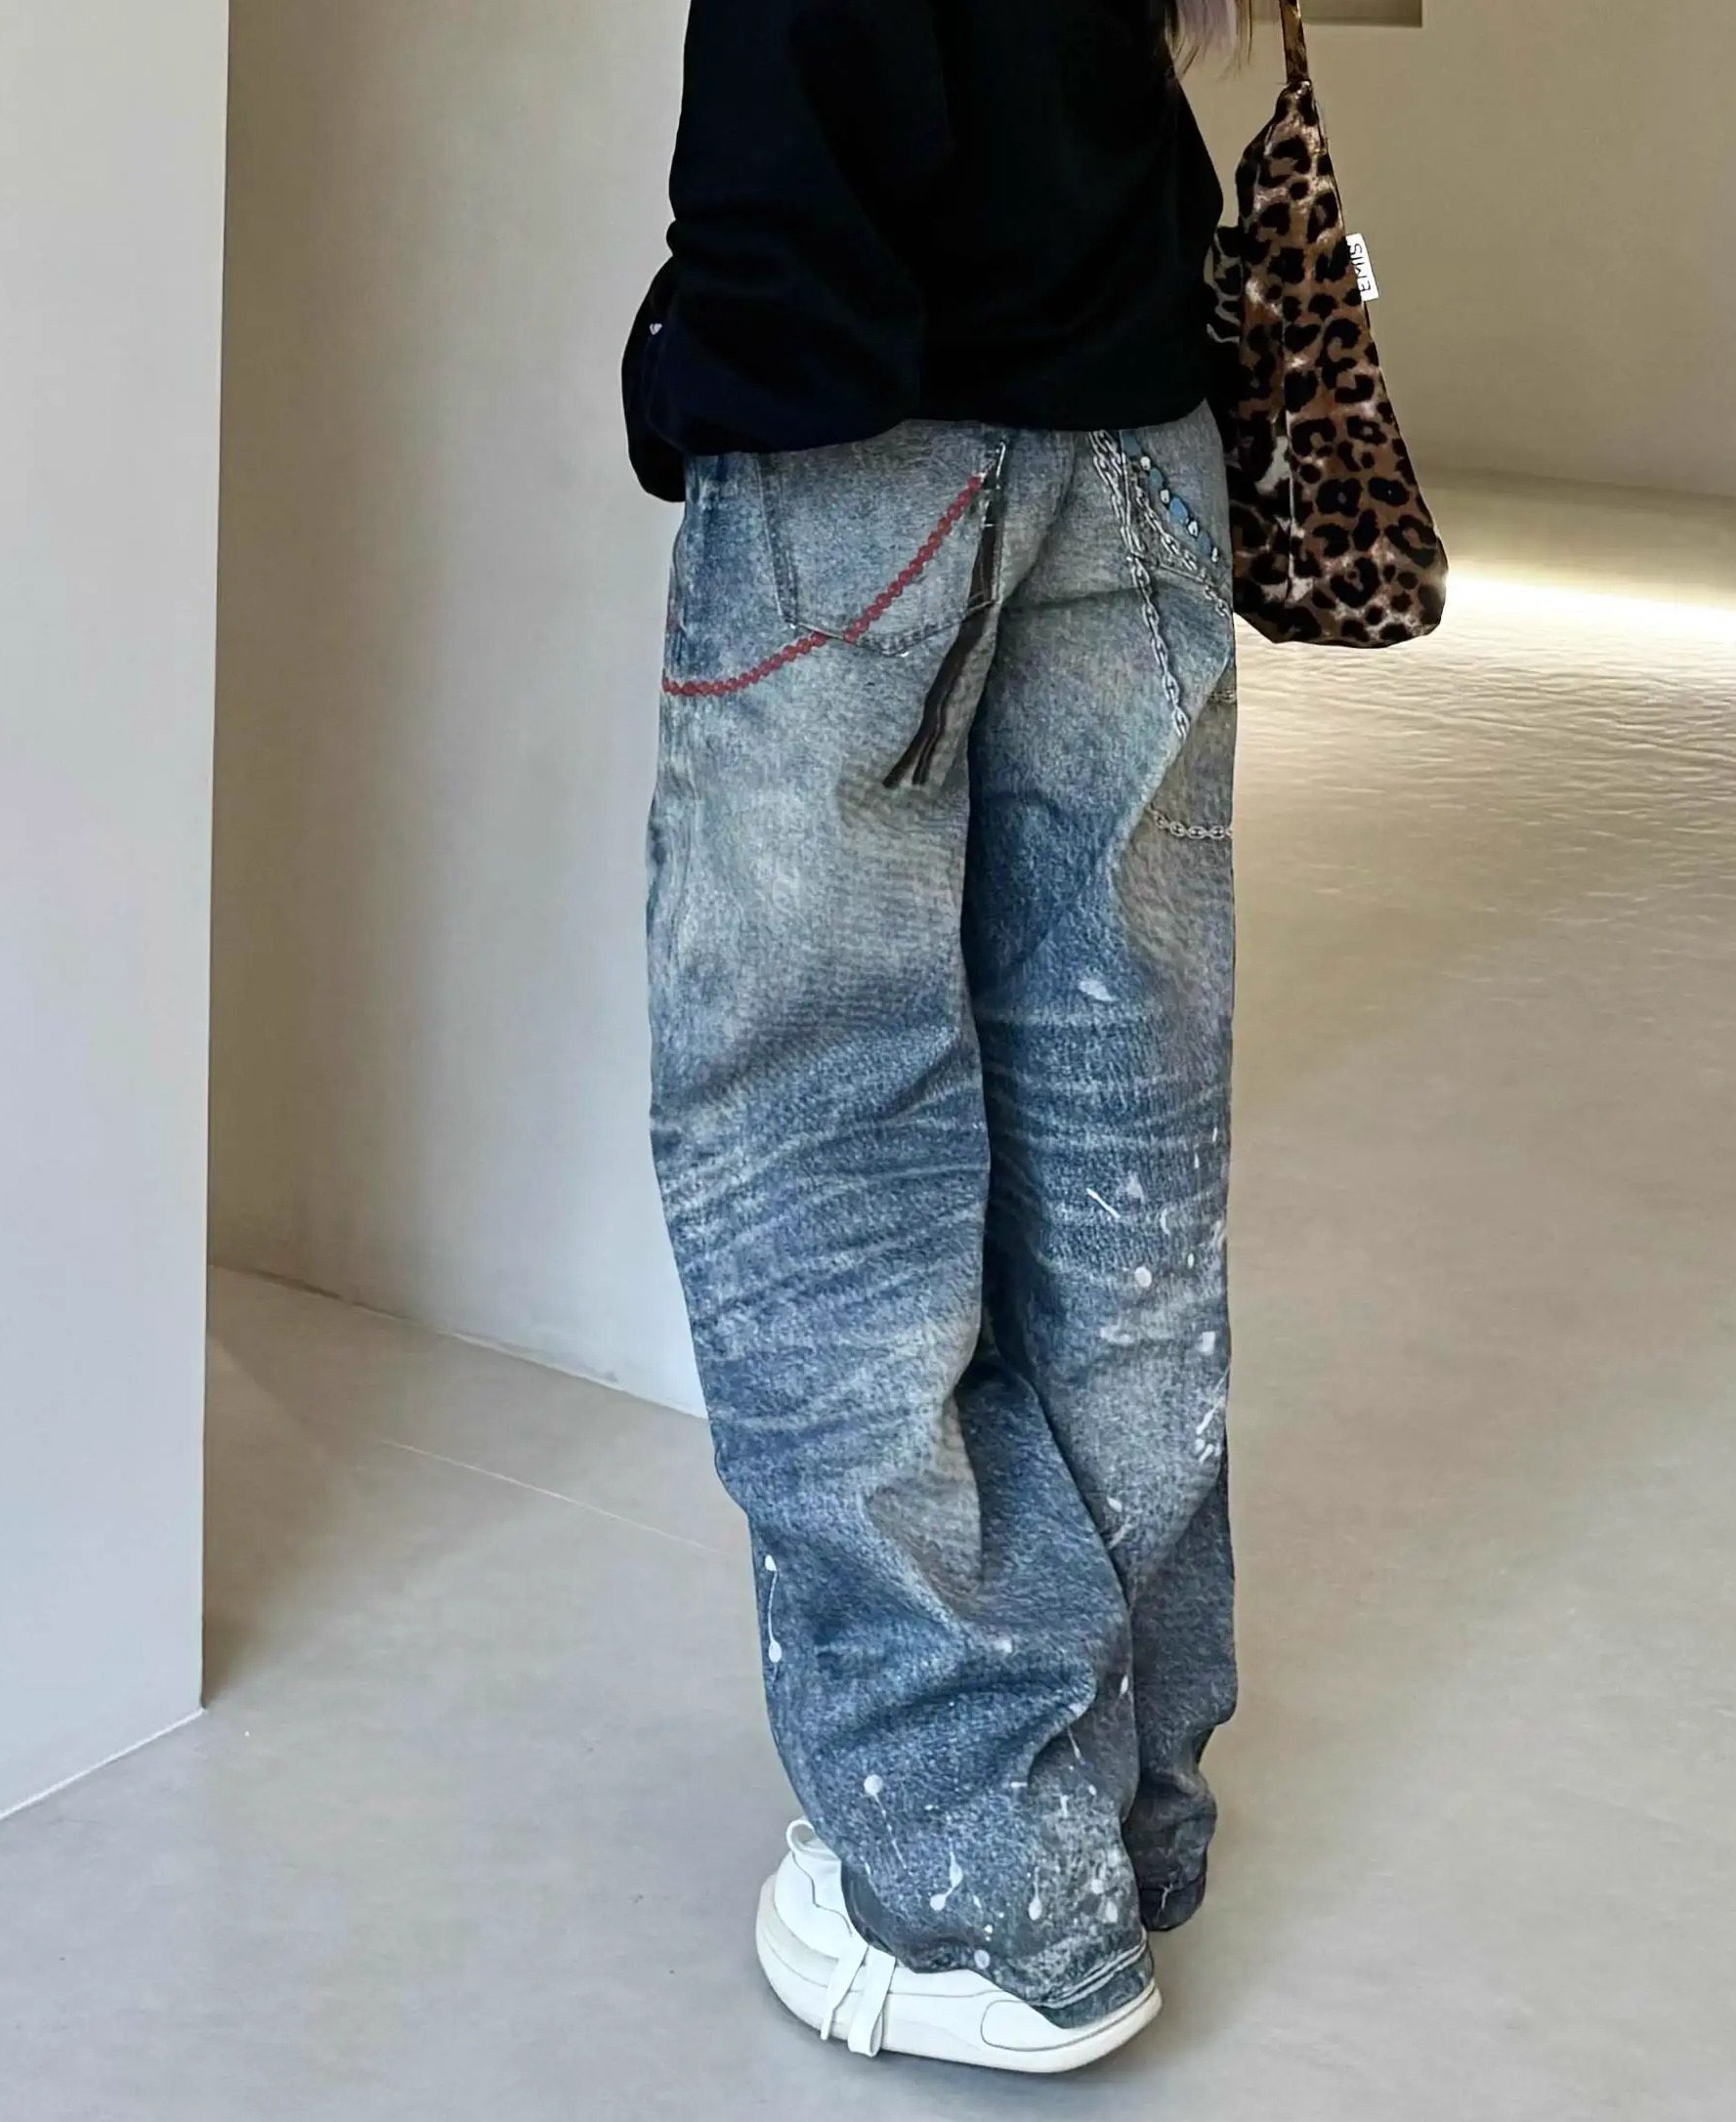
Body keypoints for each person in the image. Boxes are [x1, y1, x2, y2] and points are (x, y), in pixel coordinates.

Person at [626, 0, 1245, 2074]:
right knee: (1116, 1152)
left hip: (858, 432)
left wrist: (708, 354)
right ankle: (1110, 1819)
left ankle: (984, 1893)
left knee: (823, 1157)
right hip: (1136, 419)